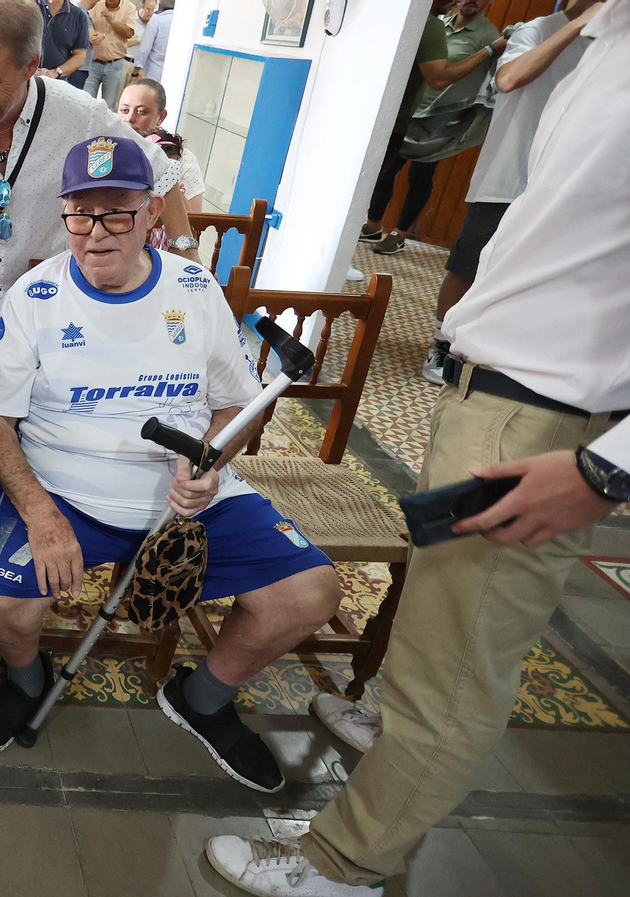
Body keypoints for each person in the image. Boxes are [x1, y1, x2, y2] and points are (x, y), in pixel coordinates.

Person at [205, 3, 627, 893]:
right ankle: (397, 729)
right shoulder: (601, 38)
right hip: (492, 390)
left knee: (461, 664)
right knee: (436, 616)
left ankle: (343, 861)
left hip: (546, 416)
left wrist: (607, 466)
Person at [0, 135, 341, 790]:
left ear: (151, 215)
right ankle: (26, 680)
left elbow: (235, 407)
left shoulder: (194, 290)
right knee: (0, 594)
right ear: (64, 213)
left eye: (118, 213)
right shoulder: (34, 297)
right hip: (65, 490)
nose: (96, 233)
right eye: (81, 213)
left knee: (311, 593)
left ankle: (203, 699)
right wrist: (41, 513)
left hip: (188, 491)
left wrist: (214, 462)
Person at [0, 0, 200, 339]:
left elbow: (163, 174)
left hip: (54, 322)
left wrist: (187, 256)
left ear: (30, 65)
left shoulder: (79, 115)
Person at [416, 0, 600, 386]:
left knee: (529, 275)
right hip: (509, 177)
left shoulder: (610, 46)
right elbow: (509, 79)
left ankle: (498, 353)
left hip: (563, 185)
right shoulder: (535, 30)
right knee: (467, 265)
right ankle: (441, 343)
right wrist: (576, 24)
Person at [361, 0, 504, 256]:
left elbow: (481, 84)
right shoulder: (438, 23)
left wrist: (488, 51)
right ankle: (373, 226)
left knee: (420, 176)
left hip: (440, 119)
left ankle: (400, 234)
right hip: (408, 111)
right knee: (384, 172)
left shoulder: (489, 37)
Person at [117, 79, 204, 211]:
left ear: (161, 117)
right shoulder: (106, 150)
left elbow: (194, 221)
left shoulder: (182, 158)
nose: (130, 118)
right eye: (124, 110)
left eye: (141, 112)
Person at [81, 0, 137, 108]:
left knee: (109, 106)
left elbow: (129, 33)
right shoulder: (96, 4)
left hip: (115, 65)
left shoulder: (129, 8)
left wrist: (111, 20)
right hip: (92, 63)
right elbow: (85, 24)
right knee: (85, 101)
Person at [38, 0, 92, 88]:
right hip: (24, 79)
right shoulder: (28, 6)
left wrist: (56, 72)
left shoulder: (78, 16)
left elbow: (80, 55)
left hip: (56, 83)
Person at [133, 0, 173, 82]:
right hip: (174, 73)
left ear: (159, 8)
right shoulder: (183, 22)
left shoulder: (156, 21)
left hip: (153, 71)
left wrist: (135, 71)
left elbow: (144, 49)